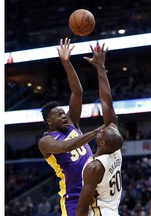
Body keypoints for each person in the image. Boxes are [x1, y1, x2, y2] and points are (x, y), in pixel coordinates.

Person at [38, 38, 103, 216]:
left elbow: (77, 92)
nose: (63, 115)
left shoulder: (73, 122)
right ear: (49, 122)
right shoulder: (46, 141)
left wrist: (66, 62)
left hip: (97, 194)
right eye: (58, 114)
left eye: (63, 112)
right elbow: (66, 146)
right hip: (74, 198)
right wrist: (96, 132)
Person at [75, 42, 124, 216]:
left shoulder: (95, 167)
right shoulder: (115, 151)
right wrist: (101, 69)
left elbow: (81, 208)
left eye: (102, 131)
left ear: (102, 142)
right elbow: (107, 101)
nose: (101, 128)